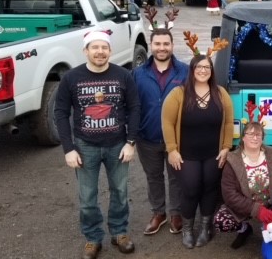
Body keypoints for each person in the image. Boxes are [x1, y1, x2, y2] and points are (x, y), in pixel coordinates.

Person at [54, 30, 140, 259]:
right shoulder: (72, 78)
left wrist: (131, 142)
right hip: (85, 147)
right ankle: (93, 238)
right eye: (95, 47)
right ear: (86, 51)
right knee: (87, 196)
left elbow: (134, 109)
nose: (100, 52)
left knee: (120, 192)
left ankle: (119, 232)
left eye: (104, 48)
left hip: (118, 145)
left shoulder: (123, 75)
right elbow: (60, 113)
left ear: (110, 50)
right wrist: (68, 148)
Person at [161, 54, 234, 249]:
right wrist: (172, 150)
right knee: (191, 189)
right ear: (192, 70)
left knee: (210, 188)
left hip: (213, 153)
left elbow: (228, 123)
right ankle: (187, 229)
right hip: (186, 154)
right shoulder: (178, 94)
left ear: (212, 71)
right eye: (199, 67)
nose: (203, 70)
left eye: (207, 67)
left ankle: (205, 228)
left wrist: (226, 147)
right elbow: (167, 123)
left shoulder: (220, 93)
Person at [133, 28, 189, 236]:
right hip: (147, 136)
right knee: (153, 176)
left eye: (166, 44)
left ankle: (175, 212)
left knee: (176, 177)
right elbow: (133, 105)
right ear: (151, 45)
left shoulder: (184, 71)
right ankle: (158, 213)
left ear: (172, 46)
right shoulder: (138, 73)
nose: (162, 48)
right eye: (157, 44)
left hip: (176, 138)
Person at [213, 122, 272, 250]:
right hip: (246, 206)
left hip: (271, 204)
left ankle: (268, 230)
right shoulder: (232, 160)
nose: (255, 137)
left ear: (262, 138)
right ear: (243, 138)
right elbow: (229, 194)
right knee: (221, 221)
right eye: (250, 134)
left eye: (258, 134)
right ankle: (244, 229)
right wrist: (257, 210)